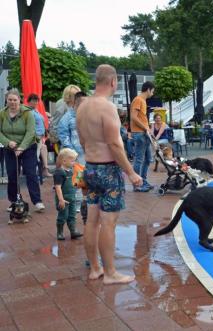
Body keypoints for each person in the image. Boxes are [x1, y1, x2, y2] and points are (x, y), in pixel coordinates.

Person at [76, 64, 142, 284]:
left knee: (92, 220)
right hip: (108, 170)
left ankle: (95, 269)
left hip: (90, 167)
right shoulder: (107, 107)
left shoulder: (82, 106)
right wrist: (131, 172)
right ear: (113, 82)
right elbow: (114, 143)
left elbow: (83, 141)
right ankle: (111, 273)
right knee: (108, 222)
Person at [0, 89, 45, 212]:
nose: (12, 102)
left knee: (31, 173)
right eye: (10, 100)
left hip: (28, 147)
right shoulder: (2, 113)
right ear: (6, 100)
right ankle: (14, 201)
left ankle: (37, 201)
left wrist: (21, 147)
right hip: (10, 148)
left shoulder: (27, 113)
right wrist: (7, 142)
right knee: (12, 174)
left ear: (19, 100)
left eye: (15, 100)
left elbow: (31, 132)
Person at [59, 91, 87, 212]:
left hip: (89, 152)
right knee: (77, 179)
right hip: (76, 154)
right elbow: (63, 135)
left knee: (87, 179)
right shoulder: (67, 117)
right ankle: (76, 204)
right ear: (76, 101)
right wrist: (72, 152)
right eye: (82, 102)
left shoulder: (88, 115)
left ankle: (85, 202)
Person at [130, 81, 155, 192]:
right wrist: (145, 128)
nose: (152, 94)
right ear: (148, 89)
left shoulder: (142, 100)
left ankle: (143, 181)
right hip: (140, 133)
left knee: (148, 159)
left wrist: (147, 129)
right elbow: (134, 117)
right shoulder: (138, 100)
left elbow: (140, 117)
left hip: (144, 133)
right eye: (152, 91)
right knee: (139, 160)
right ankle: (137, 184)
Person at [53, 148, 83, 240]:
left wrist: (79, 178)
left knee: (72, 215)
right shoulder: (59, 172)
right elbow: (57, 187)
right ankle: (60, 232)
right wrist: (61, 200)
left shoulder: (71, 171)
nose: (74, 162)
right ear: (64, 161)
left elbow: (74, 183)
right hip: (63, 199)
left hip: (72, 198)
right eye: (72, 160)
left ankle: (73, 231)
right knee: (63, 216)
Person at [48, 85, 81, 152]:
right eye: (75, 95)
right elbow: (55, 124)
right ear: (69, 95)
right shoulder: (62, 106)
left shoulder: (77, 105)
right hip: (65, 143)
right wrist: (59, 140)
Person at [27, 93, 51, 177]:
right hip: (35, 137)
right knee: (35, 154)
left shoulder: (36, 111)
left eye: (36, 101)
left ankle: (45, 169)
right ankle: (34, 173)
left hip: (40, 136)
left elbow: (41, 122)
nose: (35, 102)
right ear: (29, 101)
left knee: (43, 149)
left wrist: (45, 132)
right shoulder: (29, 112)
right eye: (33, 101)